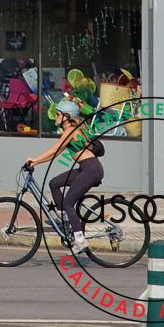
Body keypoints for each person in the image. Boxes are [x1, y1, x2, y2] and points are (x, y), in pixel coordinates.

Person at [25, 99, 105, 253]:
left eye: (57, 114)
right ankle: (66, 219)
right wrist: (36, 163)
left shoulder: (71, 130)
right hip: (86, 168)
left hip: (91, 169)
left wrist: (34, 159)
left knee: (69, 202)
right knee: (54, 183)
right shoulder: (74, 131)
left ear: (66, 116)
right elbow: (55, 154)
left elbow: (54, 149)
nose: (55, 116)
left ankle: (80, 240)